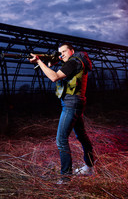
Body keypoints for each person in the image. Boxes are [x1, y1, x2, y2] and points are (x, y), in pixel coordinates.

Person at [29, 42, 94, 183]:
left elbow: (54, 77)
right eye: (60, 52)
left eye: (64, 51)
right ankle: (89, 167)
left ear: (72, 50)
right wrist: (50, 64)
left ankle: (65, 178)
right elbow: (64, 76)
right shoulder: (77, 62)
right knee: (82, 136)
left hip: (71, 104)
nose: (61, 54)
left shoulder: (73, 62)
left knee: (61, 139)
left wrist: (40, 62)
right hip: (77, 102)